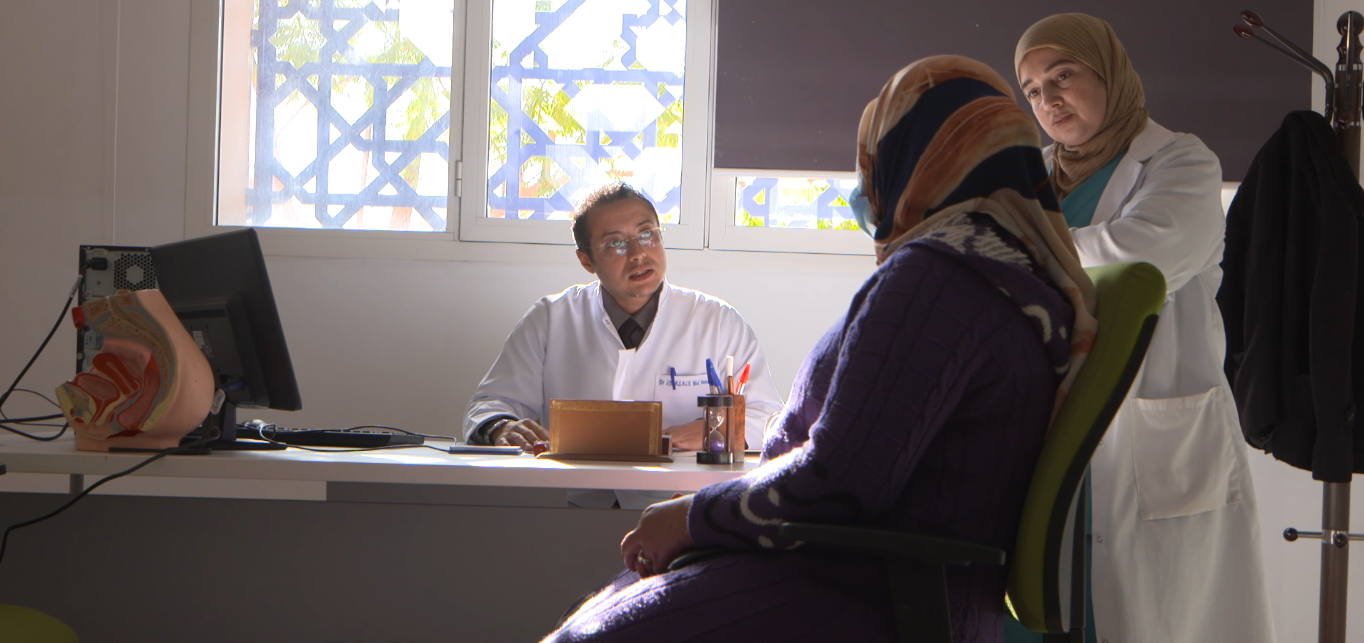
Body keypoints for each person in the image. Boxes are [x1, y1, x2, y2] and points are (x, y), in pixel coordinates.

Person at [543, 55, 1097, 643]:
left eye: (875, 158)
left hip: (864, 590)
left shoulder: (937, 282)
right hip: (883, 576)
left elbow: (840, 482)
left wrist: (693, 516)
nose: (865, 186)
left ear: (914, 159)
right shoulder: (1004, 273)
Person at [1012, 13, 1274, 643]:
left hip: (1150, 438)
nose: (1048, 100)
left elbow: (1142, 259)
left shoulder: (1181, 162)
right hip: (1050, 436)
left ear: (1108, 72)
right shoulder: (1031, 179)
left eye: (1063, 76)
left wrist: (1026, 243)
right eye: (1032, 90)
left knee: (1152, 616)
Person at [463, 183, 784, 509]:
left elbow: (770, 419)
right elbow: (489, 405)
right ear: (586, 260)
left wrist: (712, 430)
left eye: (647, 234)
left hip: (681, 505)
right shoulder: (551, 317)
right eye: (614, 243)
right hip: (570, 504)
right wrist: (501, 426)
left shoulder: (717, 321)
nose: (638, 254)